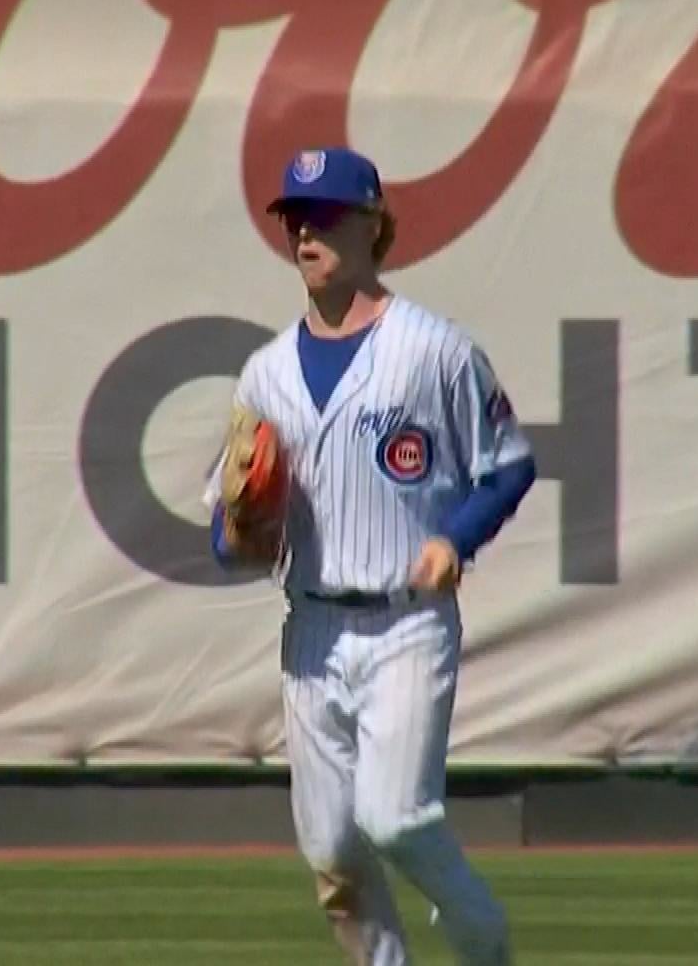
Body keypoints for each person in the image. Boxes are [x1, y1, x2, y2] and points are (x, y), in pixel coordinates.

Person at [204, 146, 537, 965]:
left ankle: (485, 946)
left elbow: (510, 464)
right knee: (336, 859)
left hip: (405, 621)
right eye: (295, 218)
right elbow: (227, 536)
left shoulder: (433, 350)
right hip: (312, 630)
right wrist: (241, 528)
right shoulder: (267, 374)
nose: (306, 232)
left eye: (325, 215)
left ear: (373, 224)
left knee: (395, 818)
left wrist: (456, 539)